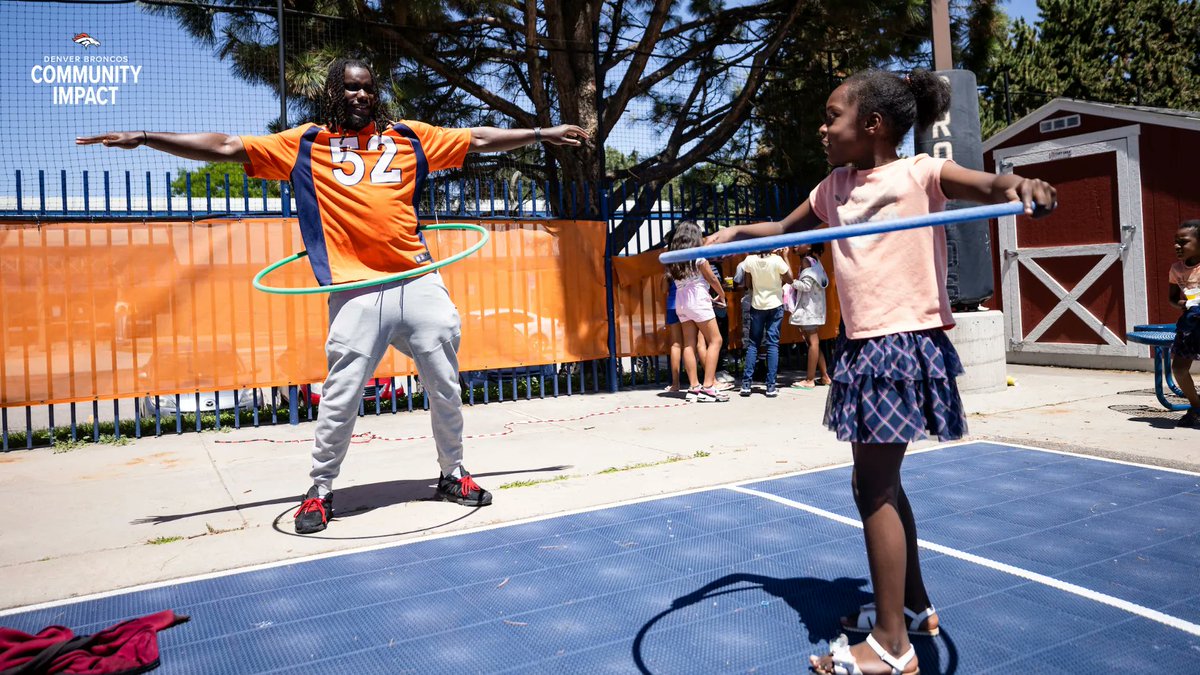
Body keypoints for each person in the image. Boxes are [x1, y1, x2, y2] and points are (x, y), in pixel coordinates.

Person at [77, 58, 589, 534]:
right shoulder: (305, 142)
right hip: (355, 287)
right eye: (351, 86)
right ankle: (319, 491)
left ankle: (453, 473)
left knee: (445, 385)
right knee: (340, 396)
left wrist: (542, 132)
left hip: (418, 278)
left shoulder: (410, 136)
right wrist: (146, 137)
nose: (360, 94)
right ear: (332, 92)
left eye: (367, 87)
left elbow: (477, 139)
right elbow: (227, 146)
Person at [705, 68, 1057, 674]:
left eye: (831, 115)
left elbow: (987, 184)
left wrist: (1019, 182)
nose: (822, 127)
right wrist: (735, 231)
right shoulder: (832, 187)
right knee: (880, 484)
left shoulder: (919, 173)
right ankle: (913, 609)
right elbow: (784, 230)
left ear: (871, 124)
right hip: (863, 346)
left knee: (872, 487)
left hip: (900, 344)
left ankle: (892, 645)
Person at [665, 221, 728, 402]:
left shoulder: (673, 257)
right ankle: (708, 386)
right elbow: (712, 278)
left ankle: (694, 387)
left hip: (681, 302)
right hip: (698, 300)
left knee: (688, 344)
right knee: (716, 340)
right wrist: (721, 295)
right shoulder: (698, 257)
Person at [735, 249, 792, 397]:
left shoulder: (750, 260)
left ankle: (746, 385)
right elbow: (790, 279)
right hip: (775, 304)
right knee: (772, 344)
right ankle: (771, 386)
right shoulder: (777, 260)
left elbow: (748, 284)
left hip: (757, 305)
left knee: (753, 344)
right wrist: (785, 256)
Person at [1169, 219, 1200, 427]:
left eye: (1183, 242)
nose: (1177, 246)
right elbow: (1172, 298)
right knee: (1179, 368)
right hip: (1190, 324)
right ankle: (1196, 407)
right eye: (1176, 242)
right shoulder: (1176, 269)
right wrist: (1187, 303)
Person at [789, 242, 832, 389]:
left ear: (809, 247)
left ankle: (809, 380)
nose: (794, 246)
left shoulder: (806, 261)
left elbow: (806, 287)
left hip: (809, 310)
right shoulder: (815, 261)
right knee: (813, 342)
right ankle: (825, 376)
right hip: (815, 309)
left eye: (799, 243)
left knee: (813, 343)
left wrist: (790, 281)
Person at [664, 273, 707, 394]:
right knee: (700, 343)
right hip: (689, 304)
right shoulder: (690, 266)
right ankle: (710, 380)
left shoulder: (670, 268)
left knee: (676, 344)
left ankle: (675, 383)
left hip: (672, 304)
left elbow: (663, 289)